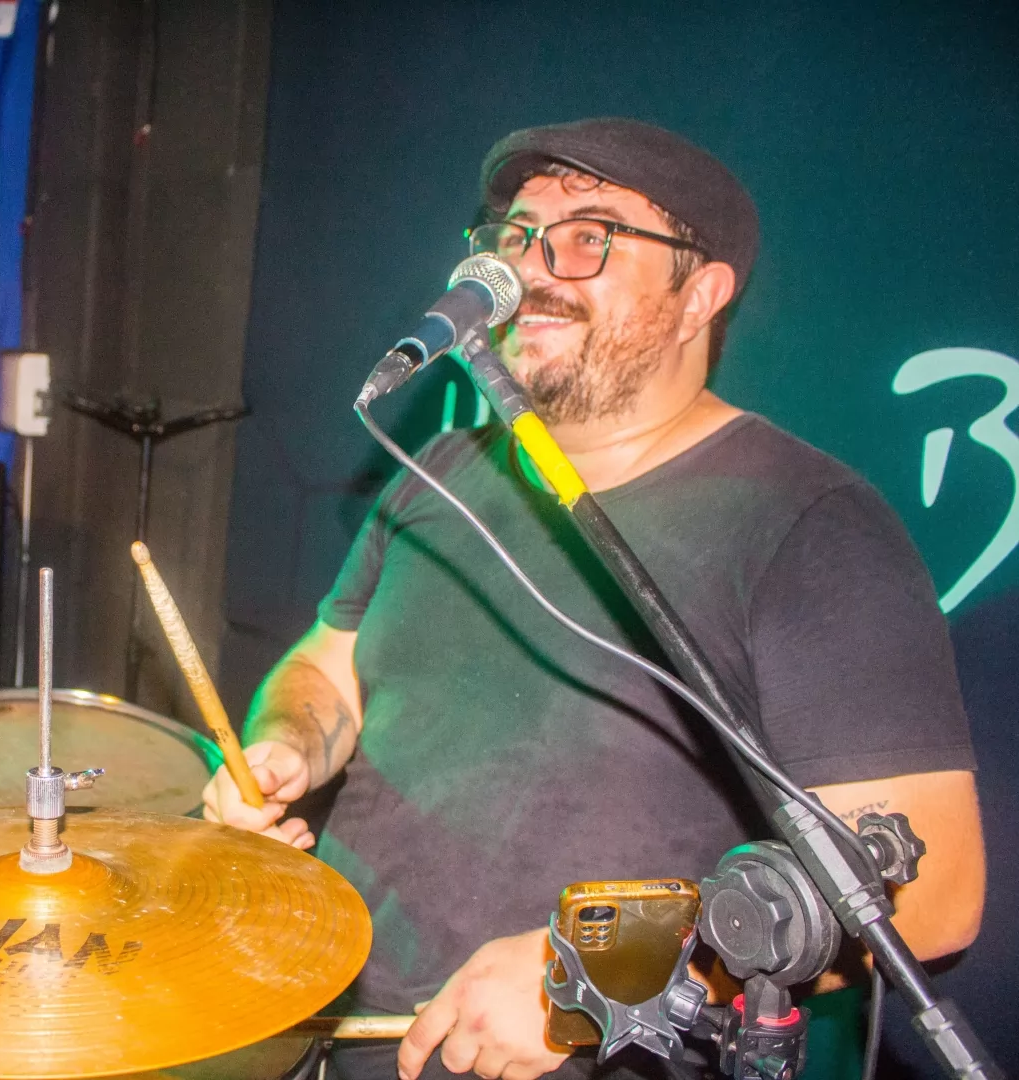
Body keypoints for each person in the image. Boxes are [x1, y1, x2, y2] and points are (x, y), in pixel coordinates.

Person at [204, 118, 985, 1080]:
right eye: (518, 235)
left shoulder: (811, 524)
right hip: (336, 1034)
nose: (532, 270)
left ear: (700, 296)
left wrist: (599, 978)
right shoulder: (444, 466)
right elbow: (328, 671)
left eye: (590, 236)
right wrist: (284, 749)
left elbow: (932, 895)